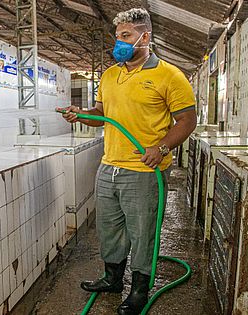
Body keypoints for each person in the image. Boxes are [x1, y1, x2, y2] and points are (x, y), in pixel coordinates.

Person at [59, 7, 197, 315]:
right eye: (117, 36)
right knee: (109, 227)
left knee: (143, 230)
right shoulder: (110, 75)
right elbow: (101, 115)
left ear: (145, 37)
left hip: (145, 169)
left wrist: (161, 147)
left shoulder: (169, 75)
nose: (119, 42)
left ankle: (138, 290)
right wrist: (80, 114)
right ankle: (112, 278)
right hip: (110, 165)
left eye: (126, 36)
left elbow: (187, 120)